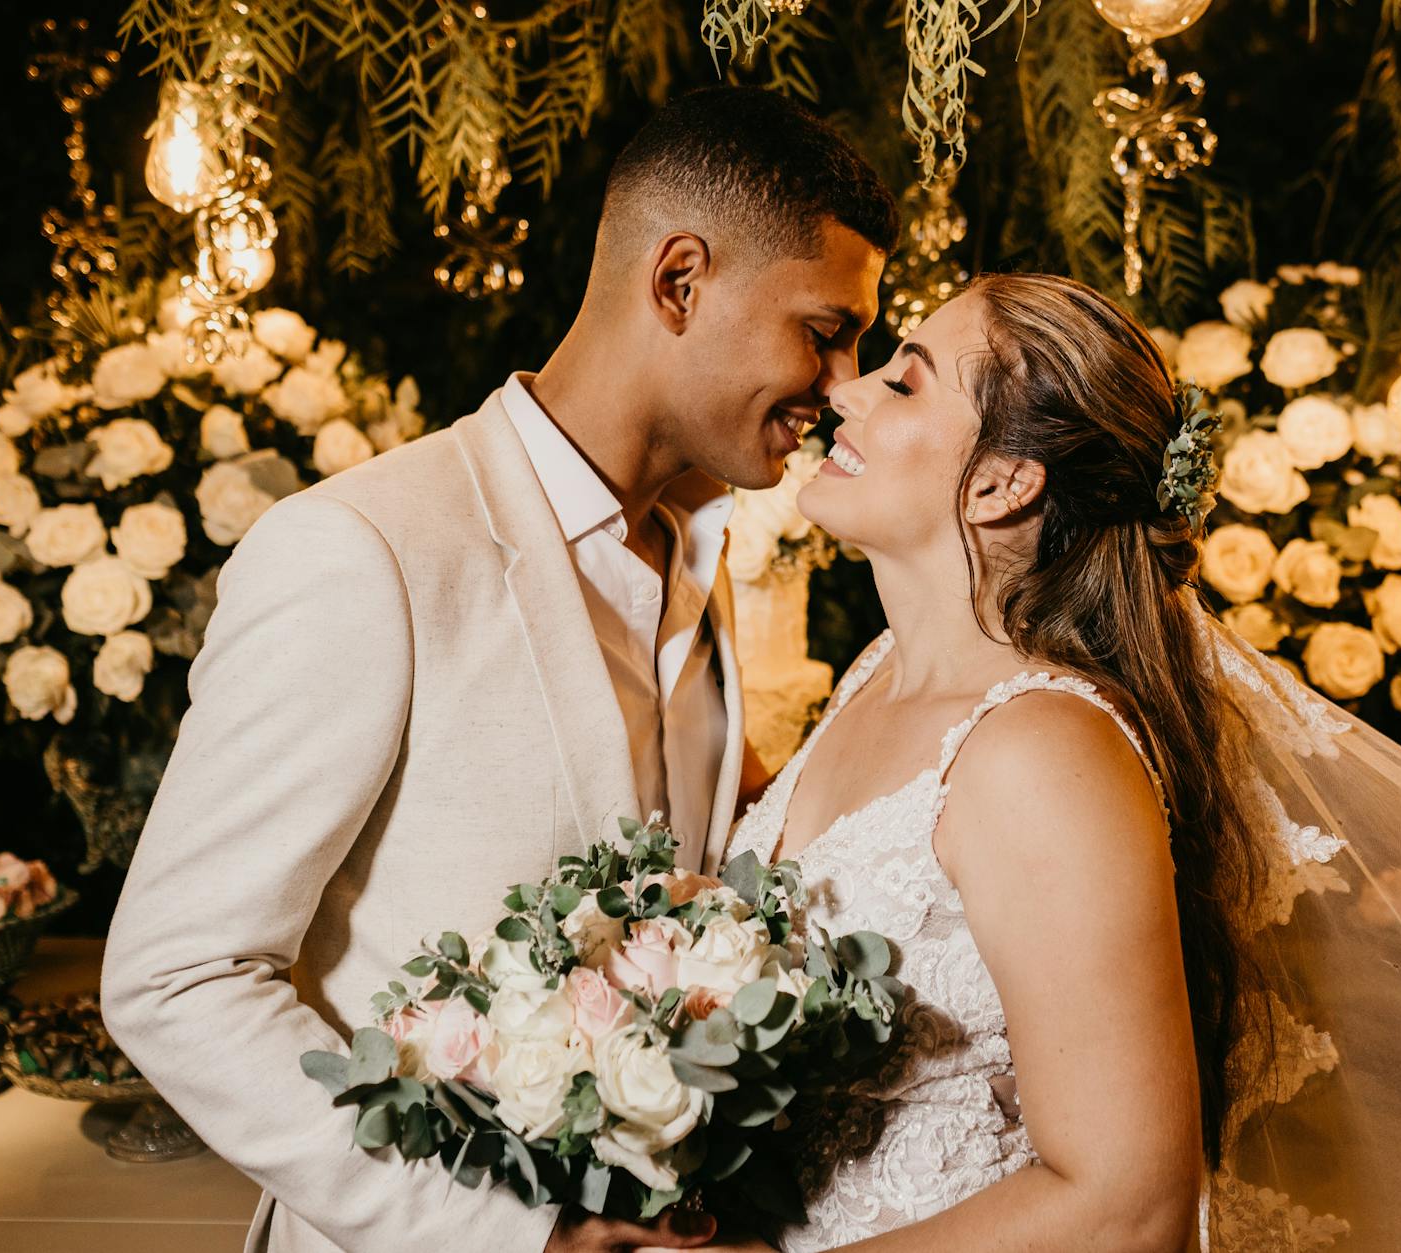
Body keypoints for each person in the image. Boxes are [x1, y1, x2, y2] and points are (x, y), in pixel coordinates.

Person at [664, 272, 1401, 1253]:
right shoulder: (875, 672)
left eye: (904, 381)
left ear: (999, 483)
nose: (846, 394)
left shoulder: (1038, 753)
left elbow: (1125, 1204)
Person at [100, 86, 895, 1253]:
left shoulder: (699, 562)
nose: (842, 384)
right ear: (677, 282)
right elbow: (178, 974)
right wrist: (507, 1236)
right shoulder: (365, 549)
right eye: (825, 331)